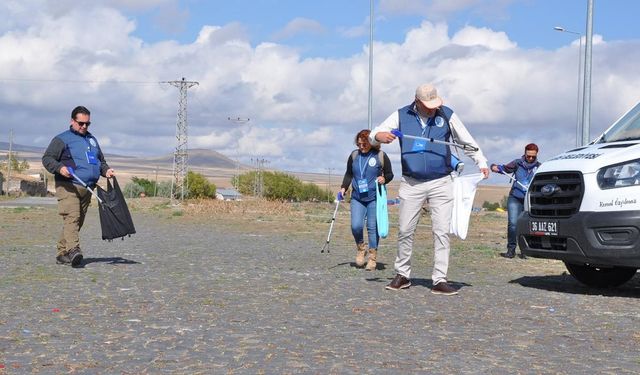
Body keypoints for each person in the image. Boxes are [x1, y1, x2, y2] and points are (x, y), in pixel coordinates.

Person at [371, 83, 489, 295]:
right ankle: (403, 274)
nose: (432, 108)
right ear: (416, 101)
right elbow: (374, 134)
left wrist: (481, 161)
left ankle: (440, 279)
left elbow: (467, 141)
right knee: (406, 230)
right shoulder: (401, 115)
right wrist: (379, 137)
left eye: (435, 104)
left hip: (442, 182)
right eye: (427, 105)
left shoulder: (447, 114)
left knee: (441, 231)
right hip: (411, 182)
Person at [42, 106, 114, 267]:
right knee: (72, 217)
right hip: (68, 185)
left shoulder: (92, 140)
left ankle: (62, 253)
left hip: (88, 188)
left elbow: (100, 161)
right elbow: (47, 158)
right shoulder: (62, 139)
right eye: (80, 123)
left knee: (76, 221)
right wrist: (60, 168)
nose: (84, 127)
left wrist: (106, 171)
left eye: (87, 124)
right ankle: (74, 250)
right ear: (72, 121)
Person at [340, 129, 394, 271]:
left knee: (372, 227)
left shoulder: (381, 156)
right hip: (357, 197)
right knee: (356, 226)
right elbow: (348, 174)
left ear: (371, 142)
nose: (361, 147)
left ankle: (372, 257)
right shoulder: (354, 155)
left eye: (364, 144)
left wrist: (384, 178)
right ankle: (360, 248)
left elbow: (389, 174)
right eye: (359, 144)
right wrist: (343, 188)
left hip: (374, 198)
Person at [490, 143, 541, 259]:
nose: (531, 158)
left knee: (527, 226)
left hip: (529, 200)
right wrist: (494, 167)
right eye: (529, 156)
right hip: (515, 198)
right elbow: (504, 168)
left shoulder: (539, 167)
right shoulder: (517, 163)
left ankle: (526, 251)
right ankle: (511, 250)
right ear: (525, 153)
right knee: (513, 224)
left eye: (533, 156)